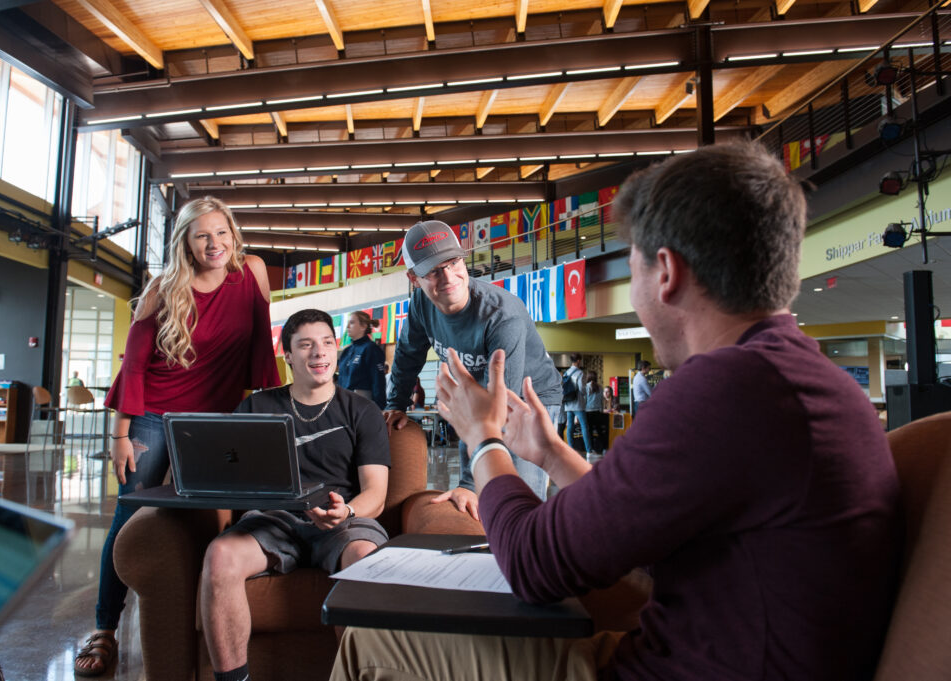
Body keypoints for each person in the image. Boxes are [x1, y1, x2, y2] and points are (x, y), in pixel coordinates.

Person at [330, 141, 901, 681]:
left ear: (667, 273)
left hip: (663, 668)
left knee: (365, 640)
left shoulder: (717, 396)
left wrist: (484, 441)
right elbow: (628, 526)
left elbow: (532, 564)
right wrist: (554, 456)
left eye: (633, 265)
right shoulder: (793, 381)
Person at [74, 196, 282, 677]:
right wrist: (121, 434)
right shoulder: (163, 287)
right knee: (128, 515)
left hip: (219, 415)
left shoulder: (252, 271)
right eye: (201, 235)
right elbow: (135, 364)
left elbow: (259, 346)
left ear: (233, 234)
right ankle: (105, 627)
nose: (214, 243)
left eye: (221, 233)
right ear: (185, 242)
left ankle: (225, 606)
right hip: (154, 413)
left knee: (235, 508)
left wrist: (271, 414)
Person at [200, 308, 390, 681]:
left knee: (365, 557)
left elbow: (376, 493)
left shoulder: (362, 411)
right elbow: (227, 472)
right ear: (286, 354)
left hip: (342, 523)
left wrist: (346, 512)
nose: (319, 353)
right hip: (273, 519)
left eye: (326, 343)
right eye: (305, 345)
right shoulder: (256, 407)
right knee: (220, 554)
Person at [384, 220, 562, 519]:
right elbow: (407, 355)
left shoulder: (502, 316)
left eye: (453, 263)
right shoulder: (420, 305)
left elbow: (501, 408)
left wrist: (469, 483)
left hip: (529, 398)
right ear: (414, 278)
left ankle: (527, 553)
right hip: (480, 395)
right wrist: (395, 404)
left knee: (520, 492)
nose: (449, 277)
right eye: (434, 271)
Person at [337, 311, 386, 409]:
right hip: (343, 404)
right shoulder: (346, 352)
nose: (347, 326)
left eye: (351, 323)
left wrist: (379, 408)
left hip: (362, 405)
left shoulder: (371, 349)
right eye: (347, 323)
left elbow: (378, 381)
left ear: (363, 326)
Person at [562, 353, 594, 457]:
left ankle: (571, 450)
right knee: (584, 426)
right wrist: (587, 390)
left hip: (568, 403)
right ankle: (589, 451)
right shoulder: (580, 373)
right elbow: (582, 389)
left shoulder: (566, 372)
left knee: (570, 426)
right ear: (578, 360)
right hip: (578, 404)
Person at [584, 370, 604, 459]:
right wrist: (601, 410)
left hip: (588, 412)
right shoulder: (600, 387)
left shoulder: (586, 387)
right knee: (599, 431)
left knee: (590, 431)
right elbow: (601, 401)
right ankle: (602, 448)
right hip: (598, 412)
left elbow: (584, 400)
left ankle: (591, 449)